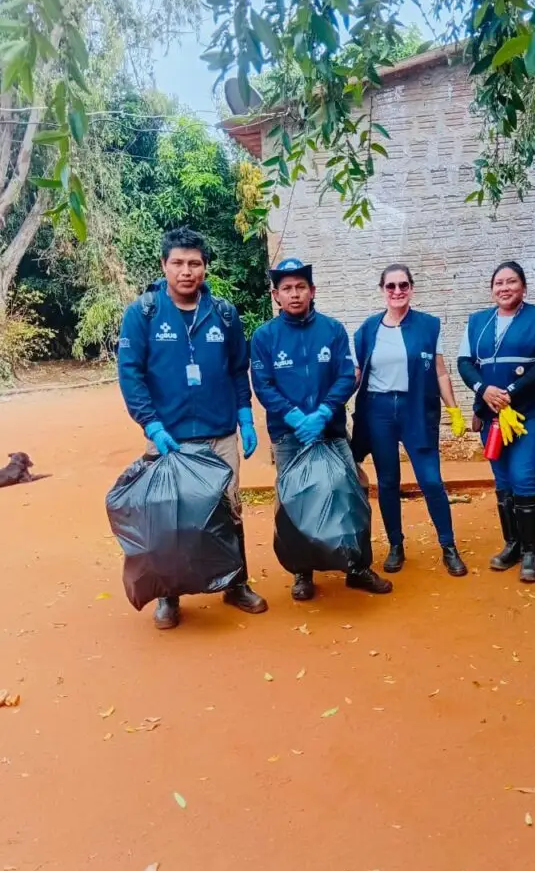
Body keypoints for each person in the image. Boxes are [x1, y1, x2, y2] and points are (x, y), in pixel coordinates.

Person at [117, 226, 267, 629]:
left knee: (229, 511)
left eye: (195, 263)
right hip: (169, 440)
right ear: (164, 265)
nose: (187, 271)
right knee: (169, 518)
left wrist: (246, 416)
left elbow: (238, 369)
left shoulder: (224, 314)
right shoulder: (143, 313)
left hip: (220, 436)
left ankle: (236, 584)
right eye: (179, 263)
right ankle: (169, 595)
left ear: (205, 268)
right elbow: (131, 375)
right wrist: (151, 424)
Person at [250, 257, 392, 602]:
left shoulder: (332, 330)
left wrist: (324, 411)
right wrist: (296, 418)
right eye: (287, 288)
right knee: (296, 501)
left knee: (352, 492)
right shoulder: (264, 337)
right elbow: (263, 384)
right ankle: (303, 572)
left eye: (301, 287)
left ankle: (357, 567)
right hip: (288, 436)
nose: (295, 294)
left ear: (312, 291)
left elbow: (347, 375)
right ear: (276, 295)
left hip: (330, 432)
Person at [352, 264, 469, 577]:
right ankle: (395, 545)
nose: (397, 291)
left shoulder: (428, 326)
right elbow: (358, 375)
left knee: (431, 480)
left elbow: (441, 371)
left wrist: (454, 409)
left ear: (412, 288)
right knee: (388, 482)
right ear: (382, 290)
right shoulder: (367, 329)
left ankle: (448, 545)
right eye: (390, 286)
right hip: (378, 411)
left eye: (403, 285)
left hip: (415, 407)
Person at [457, 261, 535, 583]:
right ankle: (512, 544)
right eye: (499, 283)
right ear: (492, 289)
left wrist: (511, 392)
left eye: (511, 282)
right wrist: (483, 389)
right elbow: (464, 362)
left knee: (523, 476)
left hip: (529, 411)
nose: (504, 288)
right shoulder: (478, 322)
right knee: (502, 480)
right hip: (491, 414)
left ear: (523, 287)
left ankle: (531, 553)